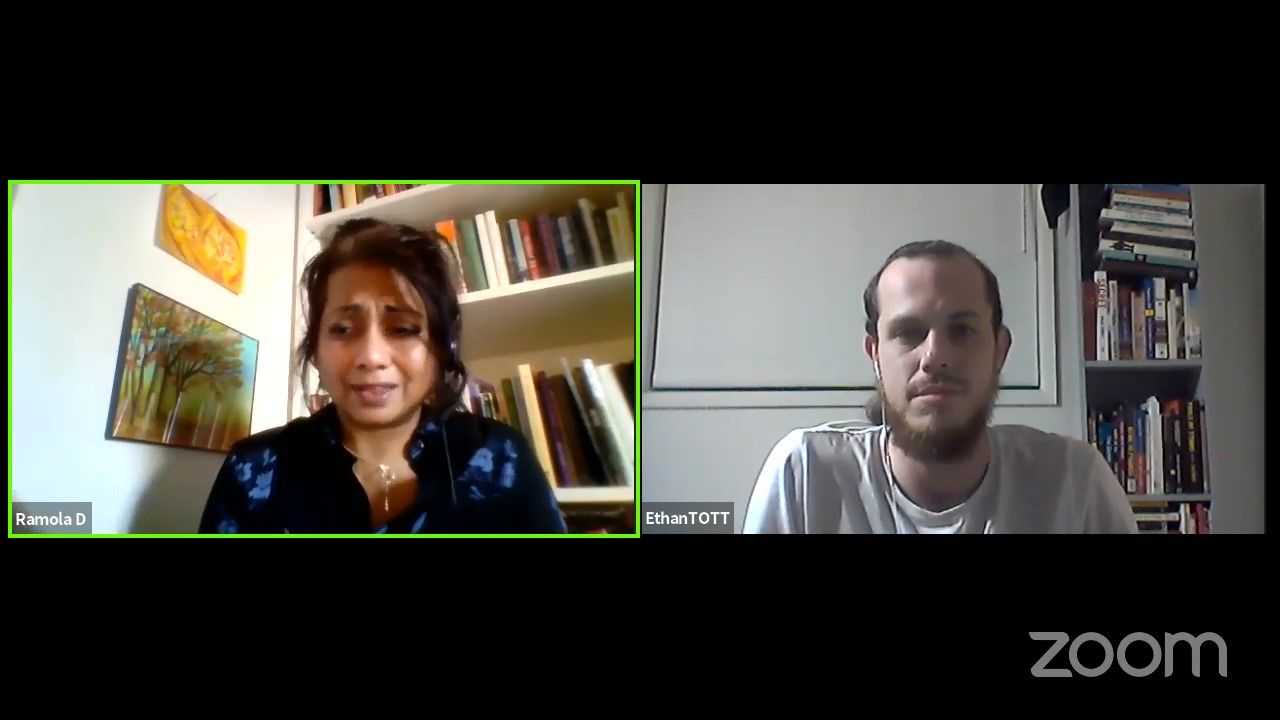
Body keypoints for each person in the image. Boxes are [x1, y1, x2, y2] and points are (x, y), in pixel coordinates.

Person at [198, 218, 567, 533]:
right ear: (315, 349)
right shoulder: (253, 467)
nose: (371, 356)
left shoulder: (500, 457)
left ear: (442, 348)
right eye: (342, 329)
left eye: (403, 329)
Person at [743, 240, 1137, 534]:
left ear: (999, 350)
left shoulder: (1075, 483)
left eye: (961, 330)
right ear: (875, 355)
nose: (934, 356)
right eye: (908, 332)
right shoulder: (805, 474)